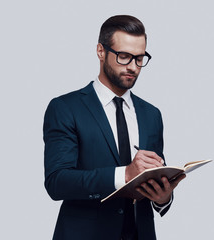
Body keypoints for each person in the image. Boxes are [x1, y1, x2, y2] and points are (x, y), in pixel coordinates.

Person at [43, 15, 185, 240]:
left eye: (140, 58)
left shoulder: (151, 114)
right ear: (101, 51)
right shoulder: (65, 108)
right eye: (124, 56)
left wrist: (163, 197)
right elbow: (57, 182)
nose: (133, 67)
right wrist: (125, 174)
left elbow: (153, 178)